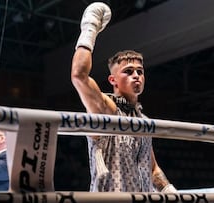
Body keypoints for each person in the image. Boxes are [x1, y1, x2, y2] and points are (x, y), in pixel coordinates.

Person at [71, 2, 177, 192]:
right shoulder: (106, 110)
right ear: (113, 80)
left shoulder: (143, 121)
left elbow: (152, 168)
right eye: (128, 71)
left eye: (140, 71)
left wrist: (169, 190)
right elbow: (79, 75)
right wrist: (90, 28)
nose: (136, 75)